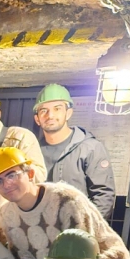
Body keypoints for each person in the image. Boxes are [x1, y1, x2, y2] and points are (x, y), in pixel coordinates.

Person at [0, 147, 130, 259]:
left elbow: (85, 256)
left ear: (30, 174)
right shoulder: (6, 214)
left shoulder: (66, 200)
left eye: (12, 175)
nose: (6, 184)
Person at [34, 83, 117, 220]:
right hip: (41, 229)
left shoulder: (89, 148)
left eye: (57, 109)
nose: (50, 115)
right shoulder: (33, 151)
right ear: (37, 119)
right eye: (43, 110)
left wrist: (84, 228)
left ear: (68, 113)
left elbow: (103, 196)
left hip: (78, 227)